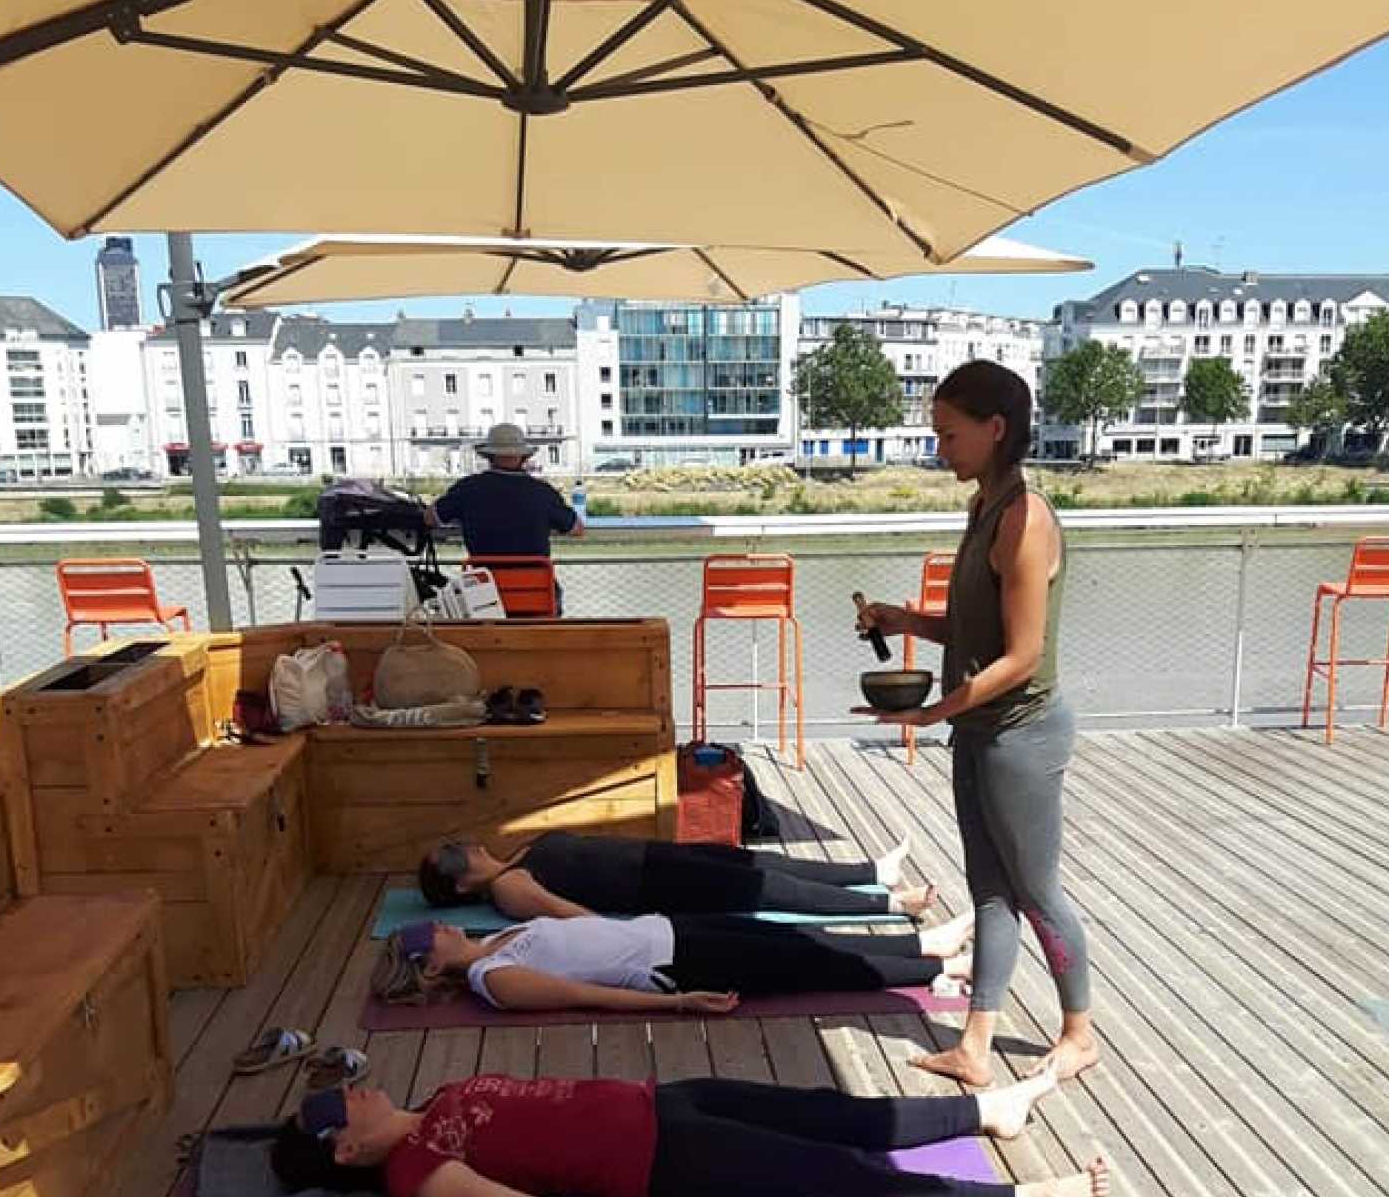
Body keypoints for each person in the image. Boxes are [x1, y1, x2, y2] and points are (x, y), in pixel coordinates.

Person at [857, 360, 1096, 1090]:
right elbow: (974, 632)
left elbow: (1022, 657)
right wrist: (909, 622)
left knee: (1036, 890)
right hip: (980, 731)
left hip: (1021, 734)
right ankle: (976, 1044)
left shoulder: (1025, 519)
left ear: (996, 429)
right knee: (989, 890)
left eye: (949, 434)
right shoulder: (983, 507)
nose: (939, 449)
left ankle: (1079, 1032)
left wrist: (934, 710)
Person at [272, 1072, 1109, 1197]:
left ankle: (984, 1109)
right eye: (339, 1104)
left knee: (826, 1109)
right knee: (829, 1172)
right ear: (343, 1148)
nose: (356, 1088)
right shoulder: (413, 1173)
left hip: (659, 1100)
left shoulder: (435, 1099)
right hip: (659, 1157)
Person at [372, 908, 979, 1019]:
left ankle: (927, 947)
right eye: (432, 935)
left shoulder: (498, 937)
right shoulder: (492, 978)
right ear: (429, 969)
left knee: (798, 939)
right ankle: (933, 973)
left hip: (668, 930)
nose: (444, 925)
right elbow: (588, 997)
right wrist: (678, 1003)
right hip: (680, 967)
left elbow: (584, 926)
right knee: (810, 965)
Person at [419, 828, 937, 922]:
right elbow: (567, 913)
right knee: (767, 890)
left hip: (653, 857)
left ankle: (870, 871)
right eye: (450, 859)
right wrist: (620, 930)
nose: (459, 848)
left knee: (757, 862)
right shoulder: (508, 887)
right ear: (460, 884)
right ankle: (891, 904)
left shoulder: (517, 855)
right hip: (653, 887)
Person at [427, 420, 584, 568]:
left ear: (489, 456)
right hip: (535, 590)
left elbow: (430, 518)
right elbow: (577, 529)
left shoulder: (467, 489)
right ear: (523, 456)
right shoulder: (543, 492)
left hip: (485, 589)